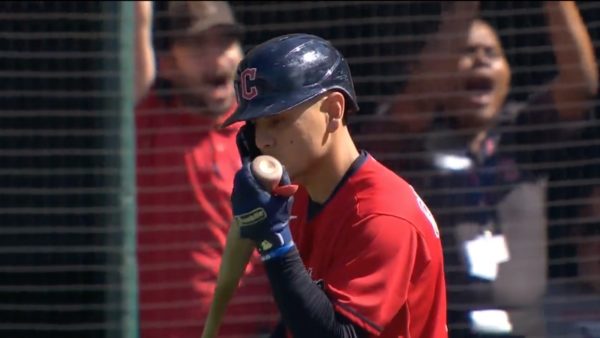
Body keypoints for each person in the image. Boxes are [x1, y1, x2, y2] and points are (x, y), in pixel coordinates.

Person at [364, 2, 598, 337]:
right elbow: (419, 99)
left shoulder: (525, 135)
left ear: (508, 73)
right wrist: (462, 10)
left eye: (492, 52)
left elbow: (580, 82)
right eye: (466, 51)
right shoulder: (411, 141)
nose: (481, 59)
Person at [220, 33, 448, 338]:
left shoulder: (383, 216)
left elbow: (340, 333)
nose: (262, 141)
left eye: (277, 120)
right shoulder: (304, 195)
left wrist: (274, 243)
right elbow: (299, 322)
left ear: (332, 111)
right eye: (255, 125)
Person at [134, 2, 278, 337]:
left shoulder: (268, 132)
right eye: (198, 46)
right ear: (168, 64)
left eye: (225, 42)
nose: (217, 57)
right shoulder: (149, 124)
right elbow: (137, 23)